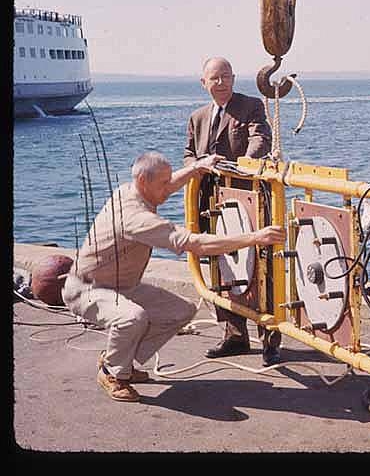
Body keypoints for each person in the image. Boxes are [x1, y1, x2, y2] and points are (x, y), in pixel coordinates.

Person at [62, 152, 286, 402]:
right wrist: (255, 238)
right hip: (88, 290)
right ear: (143, 181)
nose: (169, 188)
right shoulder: (135, 218)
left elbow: (167, 188)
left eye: (169, 180)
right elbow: (194, 243)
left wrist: (196, 168)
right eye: (163, 183)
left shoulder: (131, 190)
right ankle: (112, 373)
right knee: (132, 318)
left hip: (120, 285)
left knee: (180, 310)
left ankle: (118, 359)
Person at [183, 56, 283, 366]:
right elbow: (189, 154)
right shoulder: (197, 118)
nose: (221, 82)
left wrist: (240, 168)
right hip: (210, 204)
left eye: (225, 76)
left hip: (249, 201)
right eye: (214, 78)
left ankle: (269, 340)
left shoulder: (250, 105)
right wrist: (198, 166)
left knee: (261, 270)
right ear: (204, 83)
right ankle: (234, 335)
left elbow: (260, 138)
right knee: (221, 270)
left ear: (233, 78)